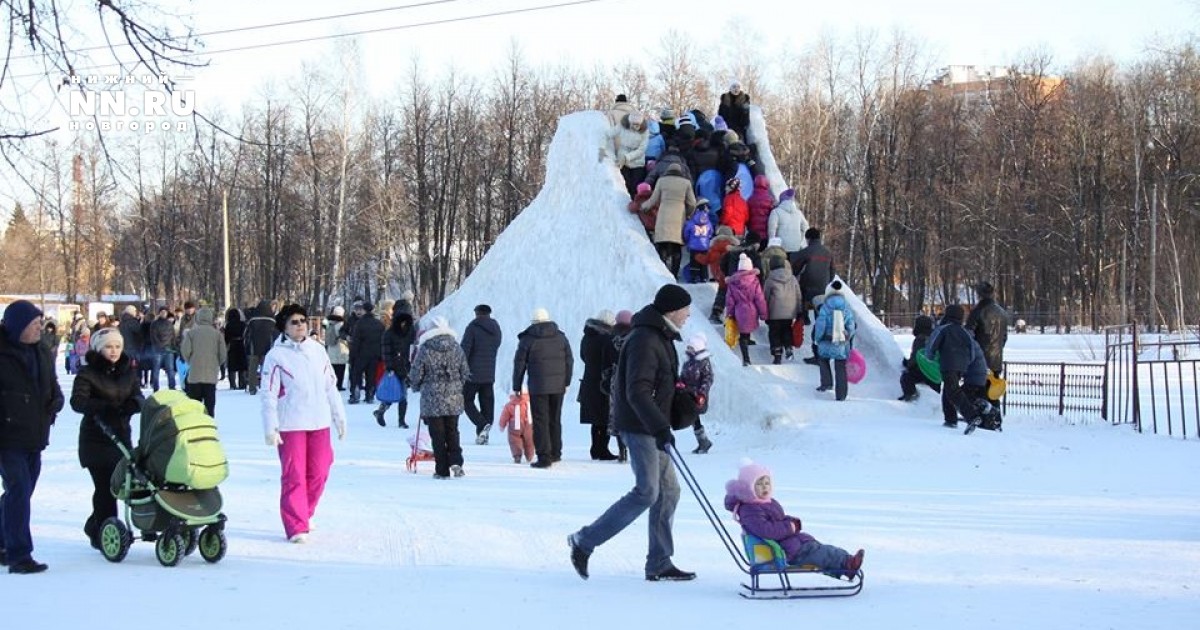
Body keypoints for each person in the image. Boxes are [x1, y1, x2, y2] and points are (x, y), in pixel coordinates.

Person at [568, 284, 695, 582]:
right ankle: (584, 541)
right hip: (640, 426)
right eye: (686, 309)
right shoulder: (644, 339)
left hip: (651, 425)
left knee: (669, 491)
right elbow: (636, 391)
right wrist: (660, 426)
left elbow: (658, 384)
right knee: (647, 491)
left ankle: (660, 562)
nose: (689, 315)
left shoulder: (659, 336)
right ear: (673, 310)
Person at [261, 304, 347, 543]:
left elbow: (331, 385)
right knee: (294, 475)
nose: (300, 325)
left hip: (319, 421)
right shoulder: (276, 356)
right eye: (294, 322)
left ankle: (305, 511)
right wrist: (271, 425)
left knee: (320, 470)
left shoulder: (318, 351)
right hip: (291, 424)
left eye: (303, 320)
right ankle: (296, 524)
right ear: (285, 328)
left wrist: (339, 417)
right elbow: (268, 393)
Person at [0, 300, 64, 573]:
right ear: (18, 327)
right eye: (34, 324)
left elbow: (51, 383)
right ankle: (19, 555)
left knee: (20, 493)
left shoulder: (42, 352)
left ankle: (4, 540)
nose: (40, 328)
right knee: (19, 490)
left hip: (35, 434)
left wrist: (56, 399)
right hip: (7, 436)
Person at [724, 460, 864, 578]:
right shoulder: (750, 509)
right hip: (784, 551)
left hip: (790, 543)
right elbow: (766, 530)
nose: (764, 487)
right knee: (821, 553)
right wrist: (789, 527)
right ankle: (847, 564)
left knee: (821, 549)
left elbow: (779, 519)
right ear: (748, 488)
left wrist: (791, 521)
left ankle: (846, 563)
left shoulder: (767, 503)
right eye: (759, 484)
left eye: (767, 482)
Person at [70, 327, 143, 550]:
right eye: (109, 347)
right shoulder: (88, 373)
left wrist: (133, 405)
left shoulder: (127, 372)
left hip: (121, 437)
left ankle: (95, 525)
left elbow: (138, 396)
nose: (114, 351)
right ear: (99, 349)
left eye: (118, 346)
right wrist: (104, 408)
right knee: (105, 488)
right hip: (96, 439)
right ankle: (103, 531)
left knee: (124, 484)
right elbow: (78, 402)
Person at [407, 317, 472, 480]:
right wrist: (456, 385)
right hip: (453, 397)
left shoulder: (426, 349)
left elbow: (416, 373)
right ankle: (457, 461)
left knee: (437, 434)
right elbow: (465, 371)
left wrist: (416, 386)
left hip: (432, 398)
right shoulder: (456, 348)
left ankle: (442, 469)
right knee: (452, 431)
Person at [512, 308, 573, 469]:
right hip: (558, 386)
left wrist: (516, 386)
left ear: (533, 322)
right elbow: (569, 360)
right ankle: (556, 452)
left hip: (538, 386)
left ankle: (544, 457)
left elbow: (519, 364)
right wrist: (566, 381)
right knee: (555, 418)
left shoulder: (528, 339)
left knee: (540, 421)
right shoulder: (561, 337)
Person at [926, 304, 993, 429]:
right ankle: (950, 419)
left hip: (948, 363)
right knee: (948, 391)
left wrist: (929, 357)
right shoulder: (964, 331)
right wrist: (966, 364)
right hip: (962, 366)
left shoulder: (943, 329)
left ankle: (972, 416)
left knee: (953, 391)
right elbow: (972, 350)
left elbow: (932, 344)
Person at [790, 227, 835, 364]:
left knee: (801, 300)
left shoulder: (807, 251)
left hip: (807, 287)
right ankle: (819, 354)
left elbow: (795, 262)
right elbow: (832, 272)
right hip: (821, 290)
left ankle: (803, 317)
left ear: (808, 238)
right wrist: (826, 282)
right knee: (820, 320)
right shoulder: (828, 253)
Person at [579, 309, 618, 460]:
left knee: (595, 419)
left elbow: (583, 356)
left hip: (589, 380)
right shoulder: (606, 339)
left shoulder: (586, 337)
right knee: (604, 417)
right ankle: (602, 450)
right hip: (602, 381)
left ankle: (595, 448)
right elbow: (610, 359)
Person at [461, 304, 502, 444]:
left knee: (466, 400)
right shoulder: (496, 328)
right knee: (487, 404)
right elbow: (497, 345)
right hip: (489, 373)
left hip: (472, 374)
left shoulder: (472, 327)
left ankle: (481, 424)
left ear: (477, 313)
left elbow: (464, 349)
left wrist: (462, 368)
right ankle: (483, 435)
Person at [813, 279, 857, 401]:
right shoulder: (846, 307)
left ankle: (826, 384)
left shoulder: (825, 307)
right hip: (840, 343)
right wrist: (848, 335)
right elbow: (851, 325)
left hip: (826, 341)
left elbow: (820, 324)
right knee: (840, 366)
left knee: (823, 360)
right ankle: (841, 394)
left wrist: (817, 338)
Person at [966, 281, 1009, 402]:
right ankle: (995, 417)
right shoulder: (1002, 313)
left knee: (977, 393)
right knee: (992, 393)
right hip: (996, 359)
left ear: (979, 294)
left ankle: (983, 417)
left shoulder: (977, 312)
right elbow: (1004, 337)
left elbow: (968, 336)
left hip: (979, 361)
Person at [180, 306, 227, 417]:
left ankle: (195, 426)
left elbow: (185, 351)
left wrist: (191, 361)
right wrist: (216, 364)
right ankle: (209, 425)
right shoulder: (217, 335)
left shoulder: (191, 333)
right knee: (210, 405)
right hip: (211, 375)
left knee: (194, 406)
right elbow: (223, 354)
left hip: (195, 375)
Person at [375, 303, 416, 429]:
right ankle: (383, 412)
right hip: (394, 367)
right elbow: (385, 352)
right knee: (394, 392)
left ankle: (399, 419)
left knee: (401, 394)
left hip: (406, 367)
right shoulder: (389, 333)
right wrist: (389, 367)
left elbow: (414, 348)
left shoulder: (411, 331)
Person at [725, 253, 768, 366]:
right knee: (746, 331)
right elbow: (760, 298)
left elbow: (730, 300)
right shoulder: (755, 281)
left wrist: (729, 313)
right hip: (752, 309)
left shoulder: (733, 282)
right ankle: (746, 345)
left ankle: (746, 358)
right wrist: (763, 313)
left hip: (739, 309)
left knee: (742, 332)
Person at [763, 256, 803, 364]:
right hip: (790, 311)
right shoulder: (793, 278)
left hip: (774, 311)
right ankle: (788, 347)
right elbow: (798, 295)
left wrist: (764, 312)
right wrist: (799, 310)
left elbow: (765, 297)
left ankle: (777, 354)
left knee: (774, 332)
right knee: (787, 329)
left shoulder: (769, 279)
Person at [681, 334, 714, 454]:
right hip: (687, 394)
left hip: (697, 396)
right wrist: (680, 383)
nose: (688, 350)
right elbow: (683, 375)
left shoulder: (703, 362)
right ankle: (703, 441)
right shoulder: (688, 361)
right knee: (693, 418)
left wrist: (702, 393)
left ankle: (703, 441)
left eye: (691, 348)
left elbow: (708, 378)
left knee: (694, 417)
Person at [348, 302, 384, 404]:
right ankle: (370, 394)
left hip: (361, 354)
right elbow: (383, 340)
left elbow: (356, 341)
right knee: (371, 375)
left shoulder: (359, 324)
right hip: (375, 354)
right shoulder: (379, 324)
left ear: (364, 310)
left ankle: (355, 393)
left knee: (356, 374)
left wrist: (352, 356)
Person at [899, 314, 940, 401]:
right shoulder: (936, 337)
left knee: (906, 377)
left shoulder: (920, 339)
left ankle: (910, 394)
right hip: (935, 373)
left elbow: (916, 357)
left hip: (922, 371)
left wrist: (907, 364)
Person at [244, 300, 277, 395]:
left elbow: (247, 334)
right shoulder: (272, 321)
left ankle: (252, 388)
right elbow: (275, 335)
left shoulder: (252, 320)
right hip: (268, 348)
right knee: (268, 369)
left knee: (252, 369)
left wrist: (247, 345)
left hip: (253, 348)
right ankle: (267, 387)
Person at [498, 389, 535, 464]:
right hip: (528, 425)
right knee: (529, 441)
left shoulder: (509, 405)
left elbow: (504, 416)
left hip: (514, 426)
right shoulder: (530, 403)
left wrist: (502, 426)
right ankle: (530, 455)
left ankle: (517, 455)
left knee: (514, 441)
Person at [147, 307, 178, 391]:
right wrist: (159, 346)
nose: (164, 313)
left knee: (170, 370)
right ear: (159, 313)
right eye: (162, 312)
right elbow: (153, 336)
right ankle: (155, 387)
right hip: (158, 350)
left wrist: (174, 347)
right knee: (156, 369)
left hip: (168, 349)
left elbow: (173, 336)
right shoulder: (154, 323)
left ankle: (172, 387)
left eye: (165, 312)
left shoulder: (169, 323)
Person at [324, 306, 349, 391]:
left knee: (333, 369)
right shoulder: (340, 324)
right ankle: (339, 385)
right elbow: (342, 336)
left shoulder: (328, 322)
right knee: (341, 369)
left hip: (331, 348)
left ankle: (332, 384)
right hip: (340, 348)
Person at [223, 307, 248, 390]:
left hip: (232, 345)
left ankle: (232, 384)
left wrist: (226, 344)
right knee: (242, 365)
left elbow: (226, 337)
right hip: (241, 344)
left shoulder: (228, 325)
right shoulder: (243, 324)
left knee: (232, 366)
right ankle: (242, 383)